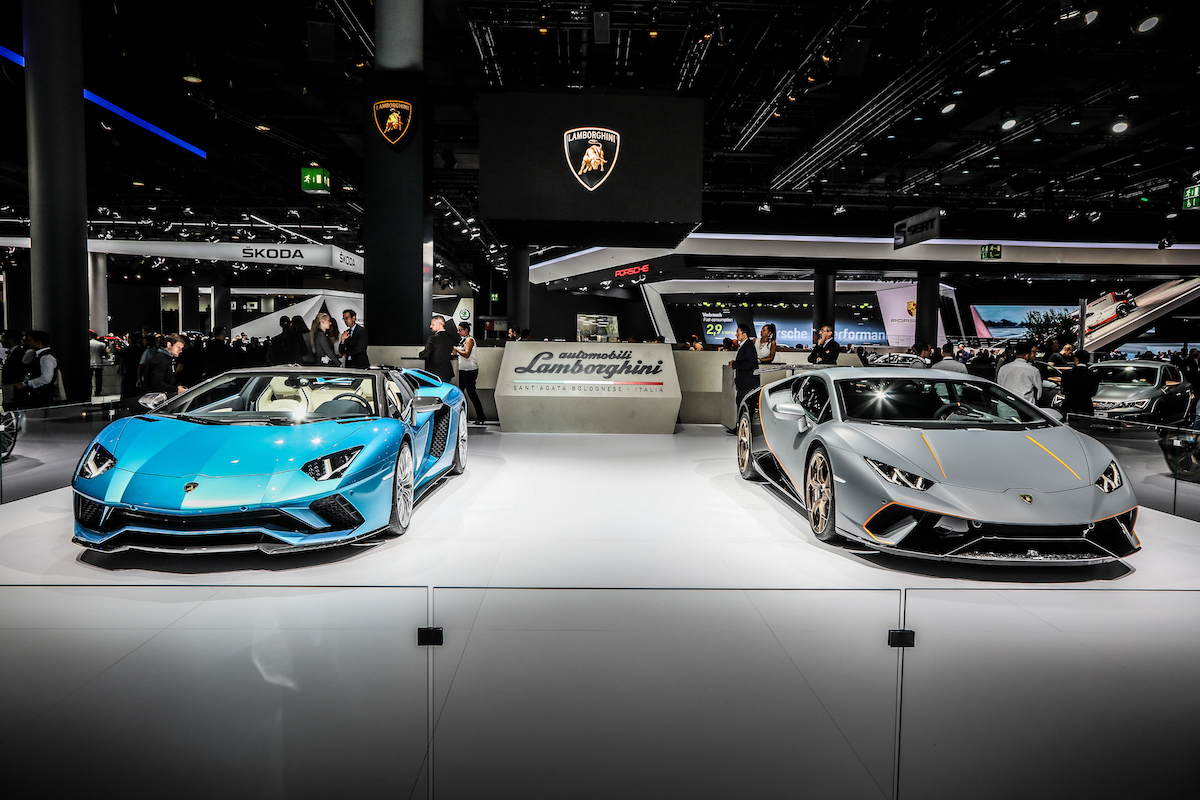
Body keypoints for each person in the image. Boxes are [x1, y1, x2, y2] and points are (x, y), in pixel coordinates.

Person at [13, 330, 59, 407]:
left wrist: (26, 383)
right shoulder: (35, 354)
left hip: (42, 396)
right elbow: (25, 362)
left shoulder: (46, 357)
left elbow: (46, 378)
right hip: (35, 394)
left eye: (30, 341)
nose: (28, 343)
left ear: (38, 343)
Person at [729, 322, 760, 432]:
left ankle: (742, 429)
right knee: (741, 404)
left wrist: (735, 365)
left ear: (744, 334)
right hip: (745, 382)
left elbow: (749, 363)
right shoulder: (746, 346)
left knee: (744, 405)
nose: (736, 335)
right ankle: (740, 428)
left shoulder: (748, 346)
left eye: (738, 333)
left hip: (748, 383)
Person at [454, 321, 485, 424]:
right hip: (463, 369)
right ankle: (461, 417)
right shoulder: (462, 340)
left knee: (471, 393)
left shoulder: (470, 340)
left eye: (460, 330)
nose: (458, 332)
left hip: (470, 370)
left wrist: (456, 349)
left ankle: (481, 416)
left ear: (466, 330)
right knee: (461, 393)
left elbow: (467, 354)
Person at [1058, 349, 1100, 420]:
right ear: (1088, 359)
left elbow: (1063, 391)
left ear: (1076, 359)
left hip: (1069, 406)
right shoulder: (1094, 375)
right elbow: (1093, 393)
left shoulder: (1067, 374)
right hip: (1086, 407)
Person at [996, 340, 1041, 404]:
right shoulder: (1033, 370)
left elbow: (999, 386)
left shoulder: (1003, 368)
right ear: (1027, 355)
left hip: (1005, 404)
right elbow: (1039, 394)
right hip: (1025, 405)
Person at [419, 314, 458, 382]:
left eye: (433, 324)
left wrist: (420, 354)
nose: (431, 326)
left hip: (434, 373)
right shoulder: (450, 338)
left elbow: (425, 354)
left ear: (439, 325)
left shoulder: (433, 339)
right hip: (446, 372)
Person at [88, 331, 108, 396]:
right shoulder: (102, 344)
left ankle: (89, 392)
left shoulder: (88, 343)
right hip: (99, 362)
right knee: (98, 379)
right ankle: (98, 392)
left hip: (90, 363)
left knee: (89, 379)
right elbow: (105, 354)